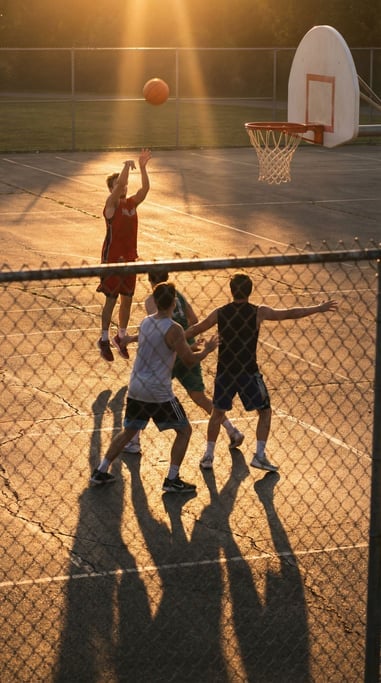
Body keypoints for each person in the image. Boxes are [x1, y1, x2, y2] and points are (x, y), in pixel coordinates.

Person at [185, 272, 338, 471]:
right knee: (264, 412)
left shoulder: (220, 312)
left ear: (231, 291)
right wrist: (318, 308)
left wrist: (174, 337)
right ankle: (259, 455)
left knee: (217, 413)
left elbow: (197, 328)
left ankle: (208, 456)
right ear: (250, 291)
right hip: (248, 372)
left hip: (225, 372)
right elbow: (290, 312)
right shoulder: (258, 312)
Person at [90, 282, 218, 492]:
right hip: (158, 392)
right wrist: (207, 350)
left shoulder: (146, 322)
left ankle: (102, 470)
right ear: (174, 302)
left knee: (128, 431)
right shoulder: (174, 328)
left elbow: (155, 341)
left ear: (156, 302)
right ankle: (172, 478)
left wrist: (130, 339)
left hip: (136, 387)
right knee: (184, 430)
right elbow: (188, 360)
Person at [123, 269, 244, 455]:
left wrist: (131, 339)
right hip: (187, 347)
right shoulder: (178, 295)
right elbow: (194, 320)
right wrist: (188, 341)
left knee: (146, 392)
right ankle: (232, 430)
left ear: (149, 280)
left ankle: (134, 441)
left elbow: (158, 330)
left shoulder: (151, 302)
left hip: (167, 354)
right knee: (199, 397)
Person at [97, 148, 152, 362]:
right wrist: (125, 167)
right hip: (112, 260)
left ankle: (120, 336)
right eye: (118, 185)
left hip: (130, 258)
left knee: (127, 300)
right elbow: (120, 184)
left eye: (124, 184)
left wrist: (143, 168)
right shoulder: (110, 206)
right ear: (111, 189)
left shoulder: (131, 203)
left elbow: (145, 189)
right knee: (111, 299)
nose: (123, 186)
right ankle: (103, 338)